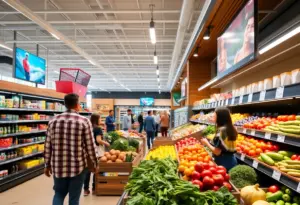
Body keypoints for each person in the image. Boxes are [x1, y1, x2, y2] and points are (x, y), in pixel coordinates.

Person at [44, 93, 98, 205]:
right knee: (74, 198)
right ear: (77, 105)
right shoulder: (84, 121)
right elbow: (90, 146)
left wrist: (47, 165)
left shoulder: (53, 120)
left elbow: (48, 145)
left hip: (58, 166)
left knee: (58, 194)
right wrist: (95, 163)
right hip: (78, 166)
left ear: (65, 104)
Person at [84, 113, 110, 196]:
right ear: (96, 120)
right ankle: (94, 188)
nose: (101, 120)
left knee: (88, 170)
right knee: (96, 169)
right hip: (97, 151)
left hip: (88, 151)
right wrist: (106, 143)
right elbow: (98, 140)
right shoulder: (98, 129)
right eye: (100, 119)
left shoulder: (89, 127)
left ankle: (85, 190)